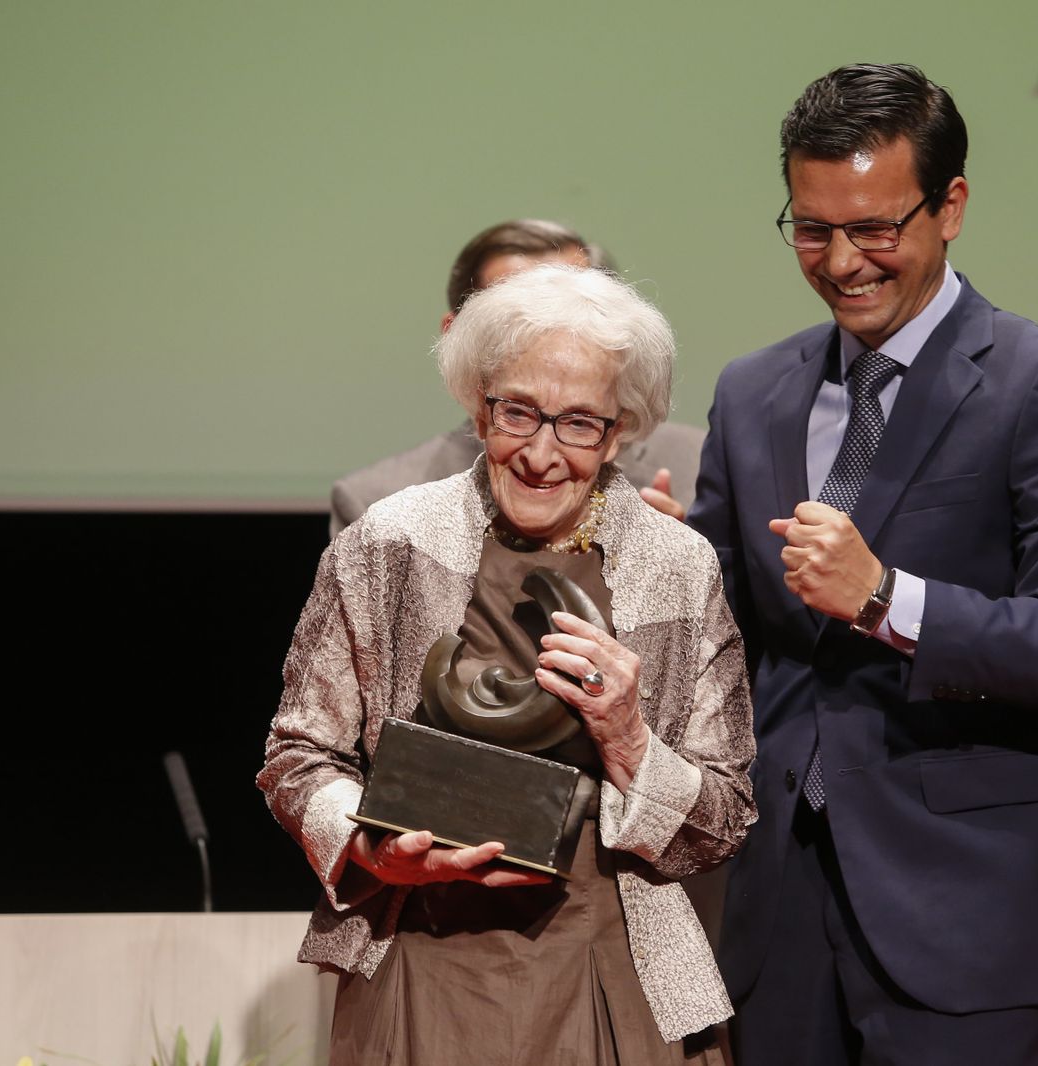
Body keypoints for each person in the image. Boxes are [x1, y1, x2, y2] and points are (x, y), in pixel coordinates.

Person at [686, 63, 1038, 1066]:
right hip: (782, 916)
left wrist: (888, 598)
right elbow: (721, 643)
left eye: (873, 229)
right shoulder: (753, 390)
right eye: (811, 229)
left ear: (951, 207)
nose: (841, 260)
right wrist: (661, 566)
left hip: (977, 917)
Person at [262, 264, 756, 1063]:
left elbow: (725, 815)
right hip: (421, 952)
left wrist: (629, 739)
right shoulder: (390, 544)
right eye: (517, 412)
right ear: (477, 400)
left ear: (622, 428)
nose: (539, 452)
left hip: (612, 960)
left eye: (579, 424)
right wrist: (370, 848)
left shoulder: (678, 565)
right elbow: (298, 755)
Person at [330, 219, 704, 538]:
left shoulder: (700, 465)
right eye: (517, 316)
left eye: (575, 305)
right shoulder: (378, 511)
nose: (550, 335)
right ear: (459, 334)